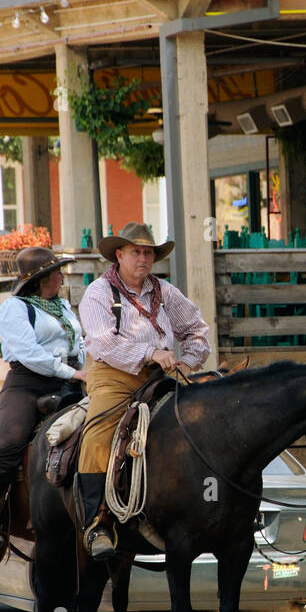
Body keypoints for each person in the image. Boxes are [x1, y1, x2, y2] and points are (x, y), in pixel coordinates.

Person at [78, 222, 210, 559]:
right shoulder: (98, 292)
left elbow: (197, 329)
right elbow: (103, 343)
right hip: (113, 375)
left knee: (199, 423)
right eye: (136, 251)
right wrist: (151, 353)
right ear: (119, 254)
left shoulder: (166, 292)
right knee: (96, 433)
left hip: (161, 375)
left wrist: (188, 362)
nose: (144, 258)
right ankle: (97, 524)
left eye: (149, 252)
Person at [0, 246, 86, 548]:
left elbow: (80, 342)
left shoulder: (62, 305)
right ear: (40, 279)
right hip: (28, 383)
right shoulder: (15, 308)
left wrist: (87, 369)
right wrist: (71, 373)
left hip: (71, 381)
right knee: (10, 440)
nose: (61, 277)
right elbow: (29, 353)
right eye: (56, 272)